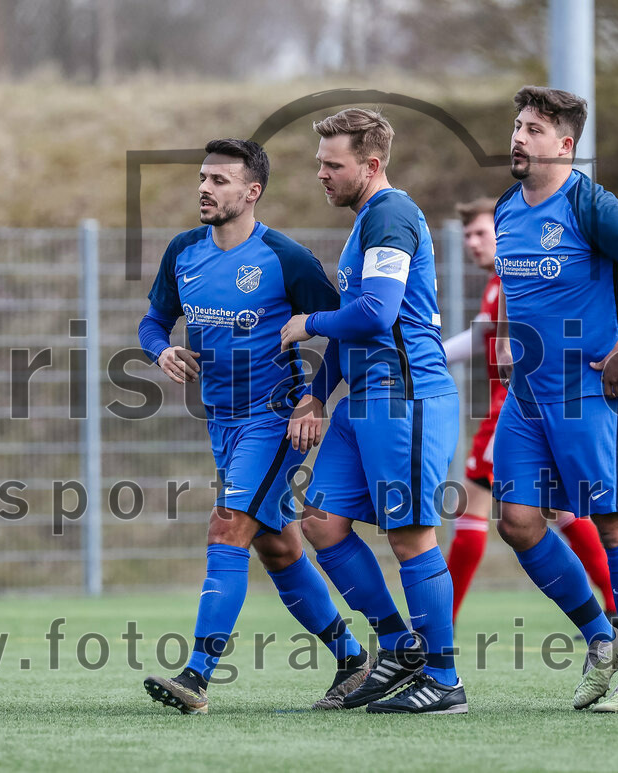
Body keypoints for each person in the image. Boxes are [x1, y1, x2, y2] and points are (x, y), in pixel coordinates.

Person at [138, 138, 371, 714]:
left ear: (252, 192)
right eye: (202, 178)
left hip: (272, 422)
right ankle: (352, 659)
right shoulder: (183, 251)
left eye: (219, 180)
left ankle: (196, 677)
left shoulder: (286, 258)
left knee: (226, 527)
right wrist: (159, 352)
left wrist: (313, 400)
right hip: (220, 422)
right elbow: (152, 321)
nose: (204, 188)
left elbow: (341, 329)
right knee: (278, 547)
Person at [492, 87, 618, 712]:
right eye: (518, 126)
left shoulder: (590, 204)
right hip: (528, 398)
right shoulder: (506, 207)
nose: (519, 138)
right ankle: (598, 638)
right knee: (518, 523)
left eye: (534, 129)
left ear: (566, 146)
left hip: (591, 393)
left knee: (615, 524)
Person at [280, 108, 466, 714]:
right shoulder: (367, 220)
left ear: (372, 164)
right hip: (363, 404)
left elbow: (377, 314)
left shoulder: (390, 213)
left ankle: (444, 680)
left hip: (405, 399)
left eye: (333, 165)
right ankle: (397, 643)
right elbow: (356, 327)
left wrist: (308, 320)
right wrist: (316, 393)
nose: (322, 175)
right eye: (320, 164)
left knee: (411, 536)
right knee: (322, 521)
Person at [443, 198, 617, 626]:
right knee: (561, 513)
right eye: (467, 235)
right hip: (524, 407)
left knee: (477, 509)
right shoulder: (496, 283)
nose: (473, 242)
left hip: (514, 408)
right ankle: (614, 611)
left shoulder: (513, 280)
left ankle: (437, 629)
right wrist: (432, 356)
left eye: (482, 233)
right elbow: (480, 337)